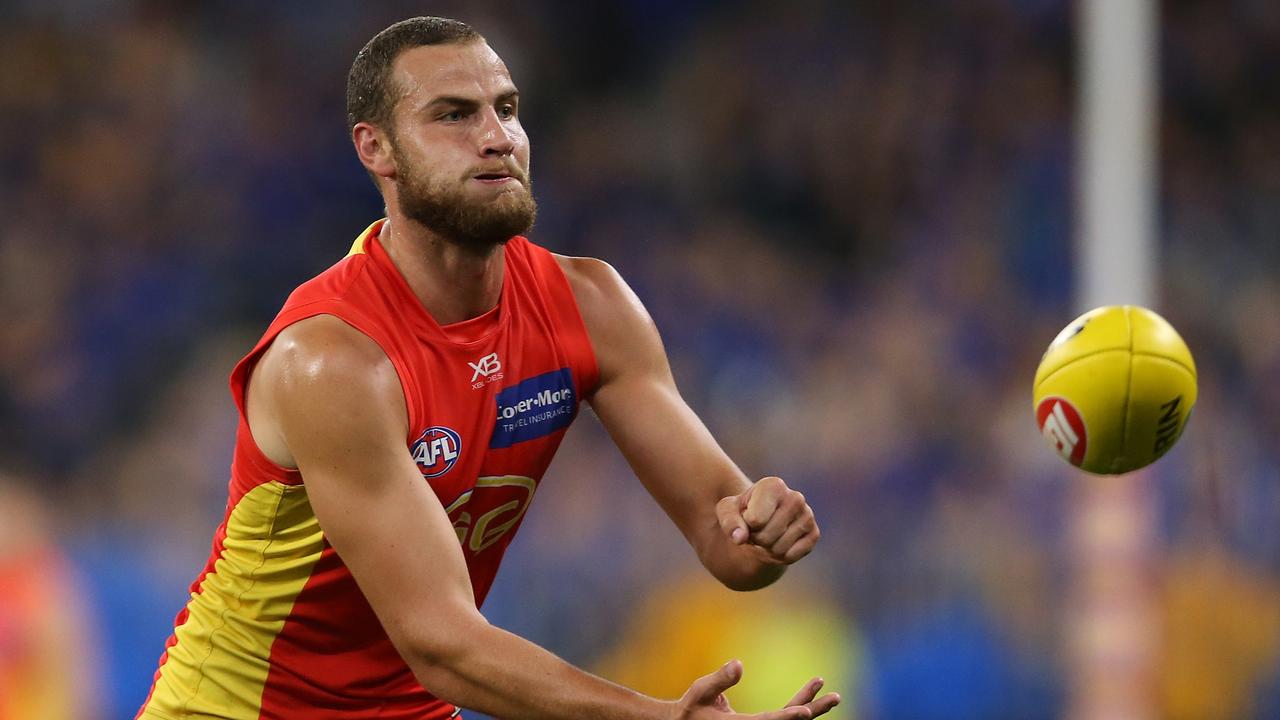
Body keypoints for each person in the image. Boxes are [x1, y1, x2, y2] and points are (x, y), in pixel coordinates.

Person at [137, 16, 837, 720]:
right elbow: (442, 646)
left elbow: (732, 548)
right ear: (375, 148)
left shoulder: (592, 306)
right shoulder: (333, 359)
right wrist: (653, 716)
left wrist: (766, 528)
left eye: (506, 108)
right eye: (453, 114)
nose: (498, 136)